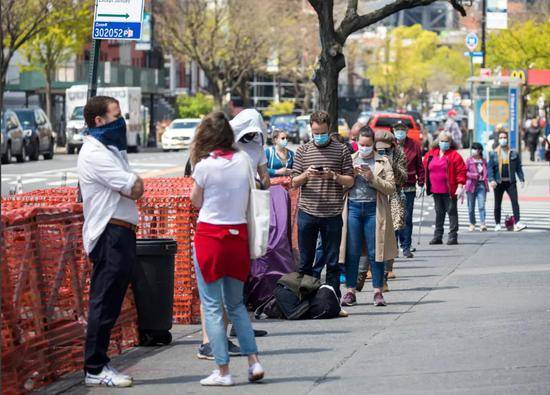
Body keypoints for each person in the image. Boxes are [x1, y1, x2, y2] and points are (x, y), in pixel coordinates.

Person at [190, 112, 264, 386]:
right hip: (238, 235)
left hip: (210, 236)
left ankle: (222, 371)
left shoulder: (204, 166)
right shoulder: (244, 160)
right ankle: (254, 361)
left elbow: (195, 201)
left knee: (211, 304)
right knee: (236, 305)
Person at [78, 96, 144, 387]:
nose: (122, 121)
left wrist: (134, 183)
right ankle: (94, 367)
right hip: (109, 234)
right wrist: (134, 182)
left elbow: (132, 186)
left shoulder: (111, 149)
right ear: (99, 121)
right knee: (104, 302)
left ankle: (99, 362)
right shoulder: (95, 153)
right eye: (116, 116)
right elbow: (133, 187)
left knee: (111, 302)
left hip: (120, 232)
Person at [291, 110, 354, 298]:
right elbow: (293, 181)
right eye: (315, 132)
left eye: (322, 132)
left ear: (329, 128)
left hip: (332, 214)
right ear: (311, 129)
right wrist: (306, 175)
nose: (319, 136)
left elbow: (350, 180)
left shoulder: (341, 150)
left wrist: (333, 175)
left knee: (333, 262)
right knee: (305, 262)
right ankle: (305, 299)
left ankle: (332, 299)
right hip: (307, 213)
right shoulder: (302, 150)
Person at [341, 126, 397, 307]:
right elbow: (341, 186)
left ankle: (378, 291)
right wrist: (351, 178)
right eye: (361, 144)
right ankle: (350, 291)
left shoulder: (383, 161)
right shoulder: (349, 160)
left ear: (373, 144)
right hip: (354, 209)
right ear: (357, 142)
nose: (364, 147)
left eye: (368, 145)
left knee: (376, 251)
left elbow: (390, 187)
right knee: (352, 252)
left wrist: (372, 178)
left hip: (375, 209)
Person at [423, 131, 467, 245]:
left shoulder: (454, 155)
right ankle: (438, 236)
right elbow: (424, 167)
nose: (444, 143)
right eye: (442, 141)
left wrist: (460, 185)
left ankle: (453, 236)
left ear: (450, 142)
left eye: (446, 141)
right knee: (439, 212)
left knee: (452, 212)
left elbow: (461, 171)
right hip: (435, 189)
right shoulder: (431, 154)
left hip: (450, 190)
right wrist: (423, 182)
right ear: (438, 142)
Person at [394, 121, 425, 258]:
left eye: (402, 130)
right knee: (394, 216)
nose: (400, 132)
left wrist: (421, 181)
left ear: (406, 131)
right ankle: (393, 245)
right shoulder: (390, 145)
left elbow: (419, 165)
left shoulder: (414, 145)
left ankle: (406, 246)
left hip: (409, 185)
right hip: (393, 185)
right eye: (397, 130)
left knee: (406, 217)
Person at [488, 129, 526, 232]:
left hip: (510, 182)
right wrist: (491, 180)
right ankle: (497, 224)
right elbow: (490, 168)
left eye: (505, 137)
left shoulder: (514, 153)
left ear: (507, 139)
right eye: (501, 138)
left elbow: (518, 167)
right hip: (498, 182)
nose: (503, 139)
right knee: (497, 204)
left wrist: (521, 178)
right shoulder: (493, 153)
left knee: (515, 202)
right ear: (498, 139)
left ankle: (517, 222)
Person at [230, 108, 271, 190]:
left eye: (254, 132)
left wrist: (259, 185)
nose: (251, 134)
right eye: (249, 132)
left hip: (251, 197)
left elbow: (265, 177)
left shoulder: (258, 147)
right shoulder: (228, 144)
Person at [465, 143, 489, 232]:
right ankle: (472, 223)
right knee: (471, 207)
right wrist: (474, 175)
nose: (475, 151)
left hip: (481, 185)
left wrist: (487, 178)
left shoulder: (484, 161)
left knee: (481, 205)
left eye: (476, 149)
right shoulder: (469, 160)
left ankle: (483, 224)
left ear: (480, 150)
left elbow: (487, 172)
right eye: (473, 149)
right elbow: (465, 172)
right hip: (471, 185)